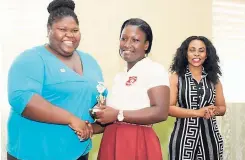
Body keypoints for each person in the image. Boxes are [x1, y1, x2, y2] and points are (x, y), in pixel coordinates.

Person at [7, 0, 104, 159]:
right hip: (34, 153)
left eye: (75, 30)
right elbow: (22, 100)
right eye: (62, 29)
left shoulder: (90, 61)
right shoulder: (31, 59)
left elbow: (98, 98)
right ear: (48, 30)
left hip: (78, 152)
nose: (70, 35)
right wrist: (71, 119)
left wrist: (99, 119)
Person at [91, 18, 170, 160]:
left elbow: (161, 112)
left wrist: (118, 114)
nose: (127, 44)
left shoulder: (154, 69)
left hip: (137, 141)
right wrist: (91, 126)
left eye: (135, 40)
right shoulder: (120, 76)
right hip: (111, 139)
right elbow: (112, 117)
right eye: (124, 38)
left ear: (146, 45)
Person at [168, 36, 226, 160]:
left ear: (207, 54)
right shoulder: (176, 77)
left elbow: (222, 108)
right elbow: (169, 108)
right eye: (192, 50)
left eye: (201, 50)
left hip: (211, 138)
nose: (196, 54)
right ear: (185, 53)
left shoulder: (214, 79)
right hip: (183, 137)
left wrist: (213, 110)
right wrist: (197, 113)